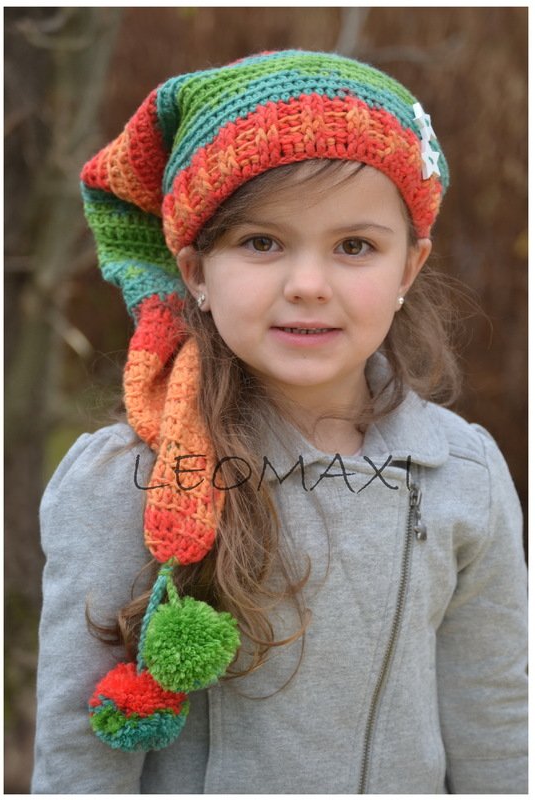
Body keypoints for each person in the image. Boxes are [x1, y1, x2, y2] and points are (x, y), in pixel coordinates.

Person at [31, 50, 527, 794]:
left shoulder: (464, 472)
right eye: (261, 242)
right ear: (196, 271)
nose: (308, 285)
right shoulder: (128, 480)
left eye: (354, 246)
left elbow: (497, 721)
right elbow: (81, 761)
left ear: (408, 267)